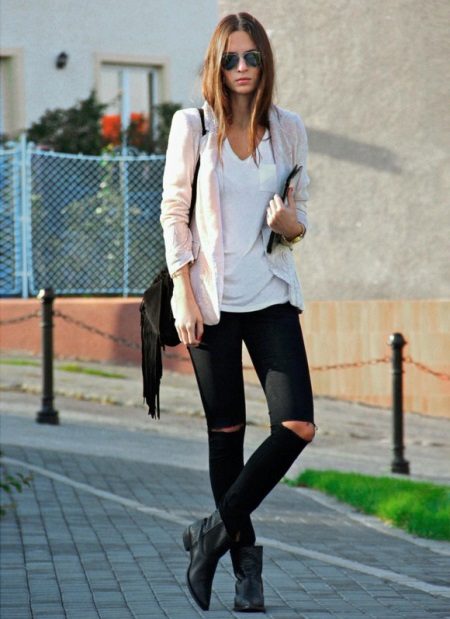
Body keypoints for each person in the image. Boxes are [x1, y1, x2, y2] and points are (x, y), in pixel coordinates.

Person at [160, 12, 315, 613]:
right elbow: (174, 211)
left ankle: (209, 535)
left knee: (297, 425)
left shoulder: (288, 129)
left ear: (264, 61)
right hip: (212, 301)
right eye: (231, 59)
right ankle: (247, 574)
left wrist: (290, 224)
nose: (243, 67)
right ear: (216, 65)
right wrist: (182, 290)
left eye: (252, 57)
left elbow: (300, 221)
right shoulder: (193, 126)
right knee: (226, 435)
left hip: (271, 295)